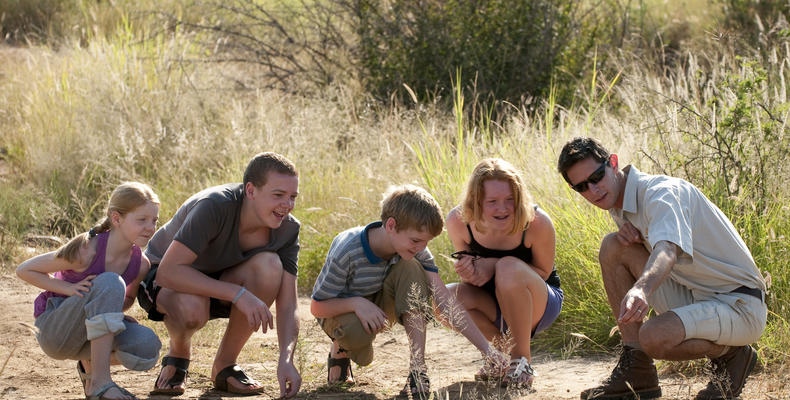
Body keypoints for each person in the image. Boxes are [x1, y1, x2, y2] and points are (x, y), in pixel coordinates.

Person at [557, 137, 767, 400]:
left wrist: (641, 290)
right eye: (581, 187)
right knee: (613, 246)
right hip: (695, 295)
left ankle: (734, 355)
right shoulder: (620, 201)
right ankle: (638, 371)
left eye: (597, 176)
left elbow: (667, 249)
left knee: (653, 337)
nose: (593, 190)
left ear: (613, 163)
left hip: (739, 304)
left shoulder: (660, 193)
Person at [310, 184, 508, 397]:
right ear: (391, 225)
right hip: (339, 312)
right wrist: (357, 304)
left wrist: (487, 350)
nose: (421, 248)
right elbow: (317, 307)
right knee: (359, 343)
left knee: (412, 266)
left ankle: (417, 370)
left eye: (426, 242)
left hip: (379, 308)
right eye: (416, 240)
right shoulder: (347, 250)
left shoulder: (414, 248)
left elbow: (444, 299)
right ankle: (340, 351)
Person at [138, 152, 302, 398]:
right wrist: (238, 294)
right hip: (164, 279)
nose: (287, 205)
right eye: (278, 195)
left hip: (219, 282)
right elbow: (168, 272)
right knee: (193, 306)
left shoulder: (288, 229)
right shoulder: (215, 205)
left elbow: (289, 304)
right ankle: (179, 354)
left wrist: (286, 359)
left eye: (292, 197)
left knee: (270, 265)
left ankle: (225, 366)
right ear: (250, 190)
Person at [17, 182, 162, 400]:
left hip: (87, 334)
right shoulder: (86, 249)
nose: (150, 227)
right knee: (111, 282)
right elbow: (25, 270)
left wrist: (115, 312)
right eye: (141, 220)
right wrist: (69, 287)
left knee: (147, 347)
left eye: (154, 221)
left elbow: (128, 297)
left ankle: (90, 372)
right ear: (116, 218)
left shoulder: (141, 264)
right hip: (55, 331)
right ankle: (101, 382)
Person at [445, 158, 563, 388]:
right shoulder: (459, 221)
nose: (503, 208)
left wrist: (492, 264)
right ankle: (499, 358)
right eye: (492, 201)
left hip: (539, 302)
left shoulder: (537, 222)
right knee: (443, 299)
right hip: (492, 303)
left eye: (510, 199)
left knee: (507, 267)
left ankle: (521, 360)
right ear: (476, 201)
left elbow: (543, 271)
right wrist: (469, 272)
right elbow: (471, 283)